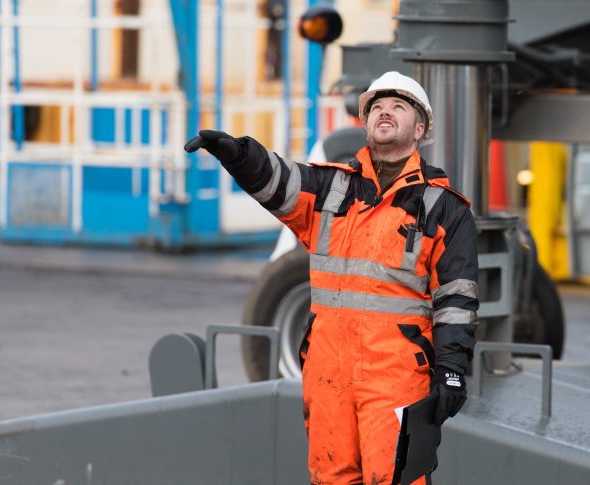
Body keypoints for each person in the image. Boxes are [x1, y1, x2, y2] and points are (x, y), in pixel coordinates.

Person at [185, 71, 478, 485]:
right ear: (365, 121)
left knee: (394, 478)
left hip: (396, 378)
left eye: (398, 106)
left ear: (420, 128)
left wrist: (450, 368)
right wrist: (238, 155)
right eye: (376, 106)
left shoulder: (444, 208)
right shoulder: (331, 189)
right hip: (328, 375)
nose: (384, 112)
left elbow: (457, 299)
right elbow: (277, 179)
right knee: (331, 478)